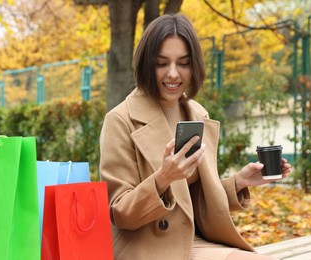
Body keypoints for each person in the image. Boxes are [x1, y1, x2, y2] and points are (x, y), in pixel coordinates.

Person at [99, 13, 292, 260]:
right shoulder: (121, 119)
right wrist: (162, 178)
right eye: (161, 63)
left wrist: (240, 182)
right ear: (147, 63)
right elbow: (120, 213)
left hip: (193, 240)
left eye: (183, 63)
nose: (173, 74)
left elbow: (192, 202)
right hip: (147, 248)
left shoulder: (197, 113)